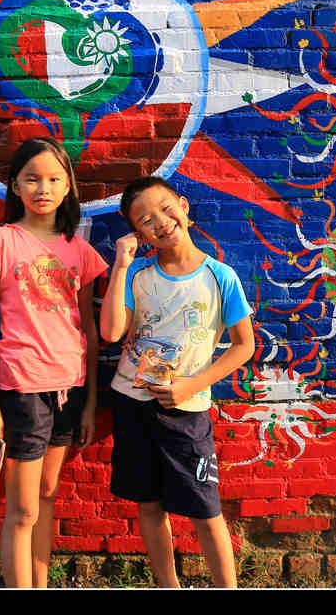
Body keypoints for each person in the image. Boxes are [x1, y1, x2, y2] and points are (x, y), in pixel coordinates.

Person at [99, 176, 255, 588]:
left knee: (206, 511)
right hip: (132, 404)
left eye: (166, 209)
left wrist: (191, 386)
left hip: (186, 411)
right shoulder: (137, 274)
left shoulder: (220, 277)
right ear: (138, 233)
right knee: (150, 506)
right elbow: (111, 331)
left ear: (183, 207)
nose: (161, 222)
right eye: (146, 220)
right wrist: (120, 265)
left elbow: (244, 346)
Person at [0, 137, 108, 588]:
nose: (43, 188)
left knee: (47, 496)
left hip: (69, 386)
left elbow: (90, 332)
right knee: (23, 510)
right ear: (15, 186)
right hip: (23, 387)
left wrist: (90, 404)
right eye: (31, 179)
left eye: (53, 179)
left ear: (68, 186)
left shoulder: (79, 250)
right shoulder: (1, 241)